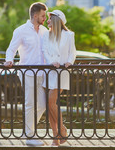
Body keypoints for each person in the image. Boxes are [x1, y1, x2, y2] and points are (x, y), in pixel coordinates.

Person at [4, 2, 48, 147]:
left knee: (42, 105)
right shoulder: (21, 31)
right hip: (27, 72)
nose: (45, 18)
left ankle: (28, 130)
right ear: (35, 15)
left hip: (42, 73)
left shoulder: (44, 31)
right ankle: (30, 136)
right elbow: (11, 49)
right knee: (30, 104)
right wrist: (9, 60)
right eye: (43, 15)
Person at [41, 9, 76, 146]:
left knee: (51, 101)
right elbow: (45, 50)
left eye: (50, 19)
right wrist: (51, 62)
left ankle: (62, 129)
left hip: (62, 72)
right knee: (50, 106)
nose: (47, 21)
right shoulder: (46, 35)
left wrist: (69, 62)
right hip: (50, 71)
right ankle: (55, 137)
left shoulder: (69, 35)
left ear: (56, 20)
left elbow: (72, 52)